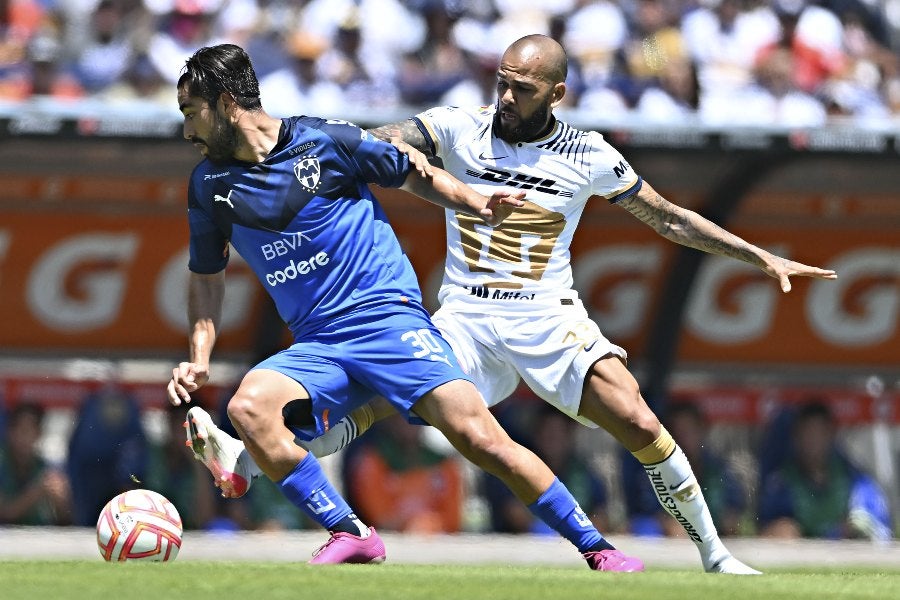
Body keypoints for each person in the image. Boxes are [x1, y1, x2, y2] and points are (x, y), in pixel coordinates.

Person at [195, 34, 838, 573]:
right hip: (465, 318)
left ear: (556, 94)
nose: (504, 98)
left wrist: (761, 257)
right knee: (385, 402)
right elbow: (374, 148)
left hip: (547, 316)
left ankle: (714, 553)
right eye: (500, 82)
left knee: (638, 422)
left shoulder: (588, 153)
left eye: (521, 89)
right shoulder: (455, 126)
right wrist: (322, 161)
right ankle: (253, 461)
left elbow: (669, 220)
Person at [168, 43, 644, 570]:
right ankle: (350, 532)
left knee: (480, 439)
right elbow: (206, 277)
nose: (187, 131)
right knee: (247, 407)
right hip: (318, 344)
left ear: (228, 101)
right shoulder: (208, 185)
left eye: (193, 114)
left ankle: (597, 547)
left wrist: (478, 203)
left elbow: (415, 172)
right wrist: (199, 355)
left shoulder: (325, 140)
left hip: (389, 324)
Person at [757, 401, 892, 541]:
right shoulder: (780, 484)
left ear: (831, 435)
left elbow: (879, 529)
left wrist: (855, 528)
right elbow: (763, 530)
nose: (813, 442)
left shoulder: (854, 480)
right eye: (807, 433)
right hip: (800, 556)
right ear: (795, 437)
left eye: (819, 433)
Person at [0, 403, 72, 525]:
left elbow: (67, 519)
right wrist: (37, 491)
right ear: (10, 431)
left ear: (39, 434)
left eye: (30, 430)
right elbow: (5, 513)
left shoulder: (44, 466)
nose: (24, 437)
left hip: (35, 538)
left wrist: (60, 502)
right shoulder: (2, 462)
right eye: (20, 429)